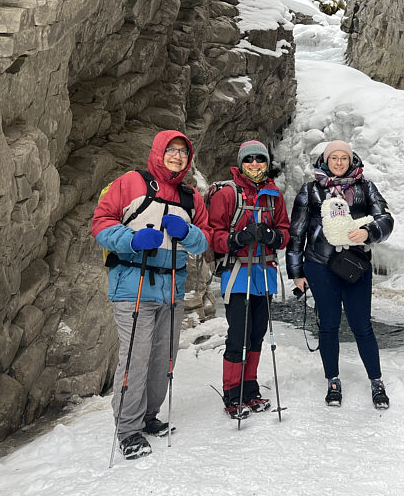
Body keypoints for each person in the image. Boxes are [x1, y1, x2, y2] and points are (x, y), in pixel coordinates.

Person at [92, 130, 211, 459]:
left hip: (171, 288)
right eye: (171, 151)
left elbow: (204, 242)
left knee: (163, 358)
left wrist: (187, 233)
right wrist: (130, 240)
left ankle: (148, 416)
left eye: (182, 153)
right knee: (136, 357)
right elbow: (101, 223)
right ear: (159, 152)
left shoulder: (190, 198)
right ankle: (128, 428)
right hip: (134, 285)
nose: (176, 156)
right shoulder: (131, 183)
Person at [287, 140, 394, 409]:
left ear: (351, 160)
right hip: (319, 265)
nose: (338, 162)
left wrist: (369, 232)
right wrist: (296, 271)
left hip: (354, 264)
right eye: (333, 158)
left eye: (343, 158)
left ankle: (376, 380)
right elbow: (297, 231)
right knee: (328, 324)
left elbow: (385, 219)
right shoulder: (310, 190)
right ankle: (332, 380)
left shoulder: (365, 187)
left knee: (362, 325)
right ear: (326, 161)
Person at [209, 141, 290, 418]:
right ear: (241, 163)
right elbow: (214, 234)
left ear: (267, 163)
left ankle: (250, 387)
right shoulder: (227, 193)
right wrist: (238, 238)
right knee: (238, 334)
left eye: (260, 160)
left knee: (257, 333)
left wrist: (273, 237)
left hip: (264, 274)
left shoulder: (273, 195)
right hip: (238, 274)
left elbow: (284, 231)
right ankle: (232, 392)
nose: (255, 164)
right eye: (249, 160)